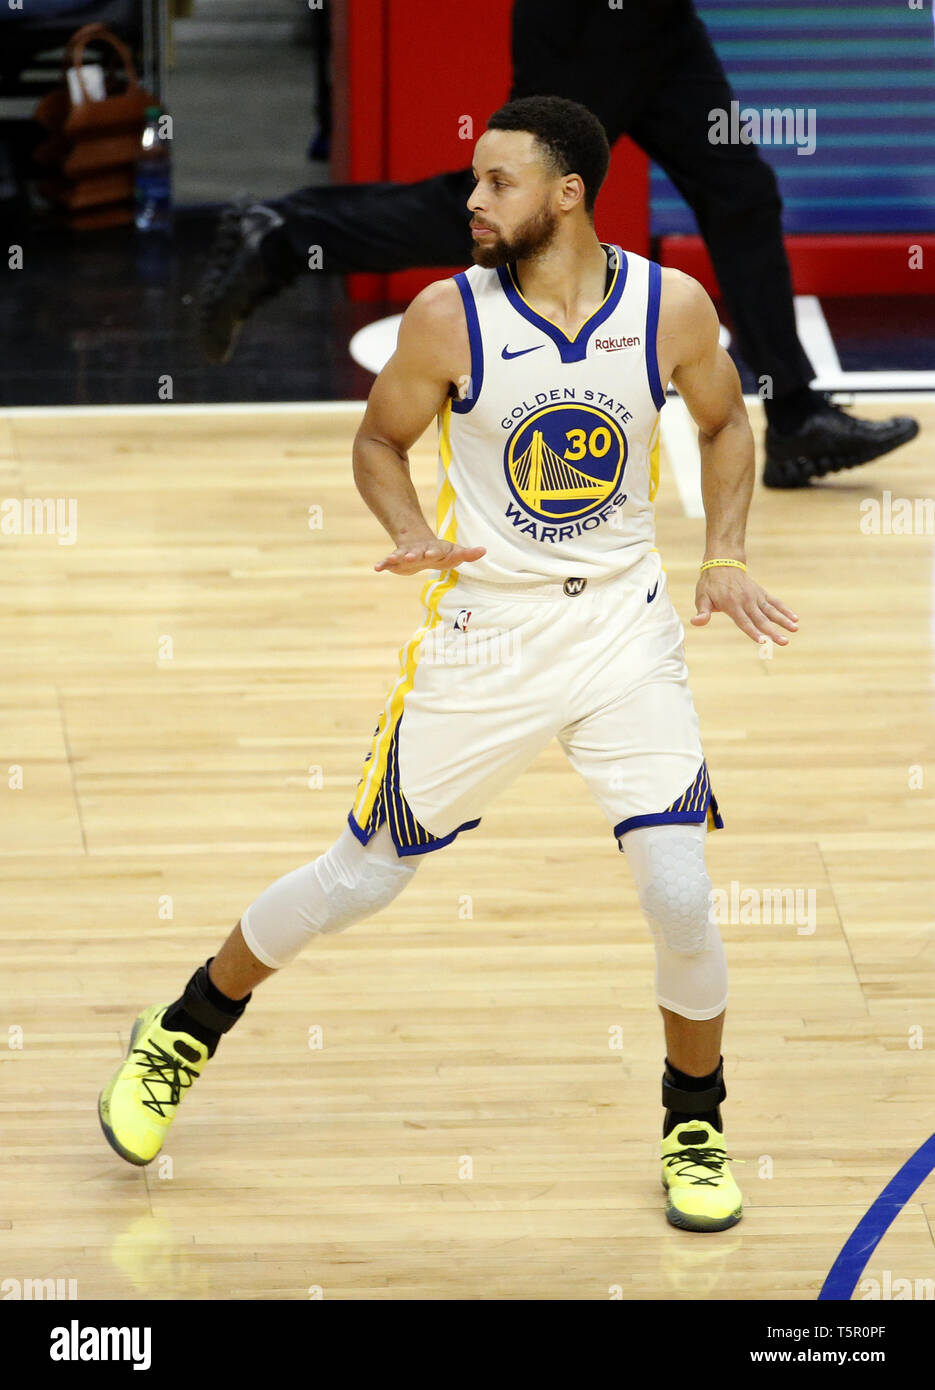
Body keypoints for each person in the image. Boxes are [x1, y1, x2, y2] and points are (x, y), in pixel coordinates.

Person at [102, 95, 799, 1233]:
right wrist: (404, 531)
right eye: (472, 181)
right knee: (361, 879)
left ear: (567, 194)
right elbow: (378, 439)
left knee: (677, 890)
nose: (471, 202)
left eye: (497, 182)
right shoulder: (446, 319)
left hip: (623, 633)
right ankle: (181, 1028)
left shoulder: (669, 307)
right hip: (490, 639)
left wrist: (721, 549)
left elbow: (724, 423)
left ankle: (694, 1118)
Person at [196, 0, 918, 491]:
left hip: (655, 20)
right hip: (591, 22)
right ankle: (286, 234)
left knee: (740, 192)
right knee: (511, 208)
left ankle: (793, 417)